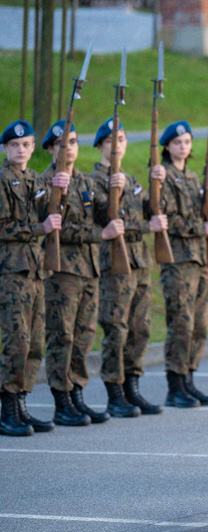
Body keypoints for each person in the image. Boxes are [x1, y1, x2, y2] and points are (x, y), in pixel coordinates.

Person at [40, 120, 115, 426]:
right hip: (63, 271)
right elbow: (55, 228)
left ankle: (77, 395)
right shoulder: (44, 182)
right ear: (50, 149)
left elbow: (104, 215)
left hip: (89, 268)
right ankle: (61, 399)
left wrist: (115, 193)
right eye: (61, 144)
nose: (68, 148)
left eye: (72, 142)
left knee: (84, 334)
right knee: (63, 335)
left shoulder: (84, 181)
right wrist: (99, 234)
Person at [91, 118, 164, 417]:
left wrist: (159, 181)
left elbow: (153, 210)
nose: (117, 144)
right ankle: (114, 391)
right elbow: (101, 217)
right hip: (114, 264)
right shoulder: (93, 181)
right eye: (111, 140)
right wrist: (113, 192)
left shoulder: (132, 180)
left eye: (121, 139)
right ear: (101, 146)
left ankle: (132, 387)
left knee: (140, 327)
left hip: (139, 263)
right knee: (116, 328)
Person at [0, 120, 58, 435]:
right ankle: (7, 408)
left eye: (25, 145)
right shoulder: (2, 179)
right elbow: (4, 227)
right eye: (14, 146)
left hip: (35, 270)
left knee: (35, 342)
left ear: (34, 147)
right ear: (6, 148)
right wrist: (39, 229)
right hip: (11, 271)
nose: (20, 150)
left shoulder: (35, 179)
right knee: (16, 341)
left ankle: (21, 403)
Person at [156, 120, 208, 407]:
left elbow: (204, 212)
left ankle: (189, 378)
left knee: (198, 324)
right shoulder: (163, 176)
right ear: (167, 147)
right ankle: (175, 384)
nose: (183, 146)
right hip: (178, 258)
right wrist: (200, 227)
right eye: (178, 142)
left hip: (199, 258)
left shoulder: (194, 178)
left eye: (187, 142)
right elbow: (169, 219)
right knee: (181, 322)